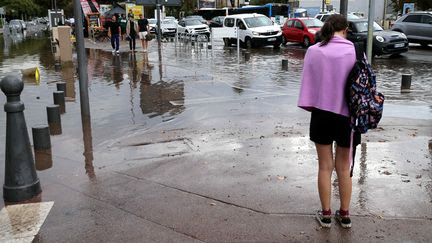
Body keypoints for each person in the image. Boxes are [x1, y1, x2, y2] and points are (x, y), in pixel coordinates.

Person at [297, 14, 360, 229]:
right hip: (347, 116)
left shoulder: (314, 51)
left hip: (322, 114)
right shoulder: (355, 50)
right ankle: (344, 215)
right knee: (344, 167)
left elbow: (308, 84)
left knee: (325, 166)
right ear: (344, 30)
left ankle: (325, 215)